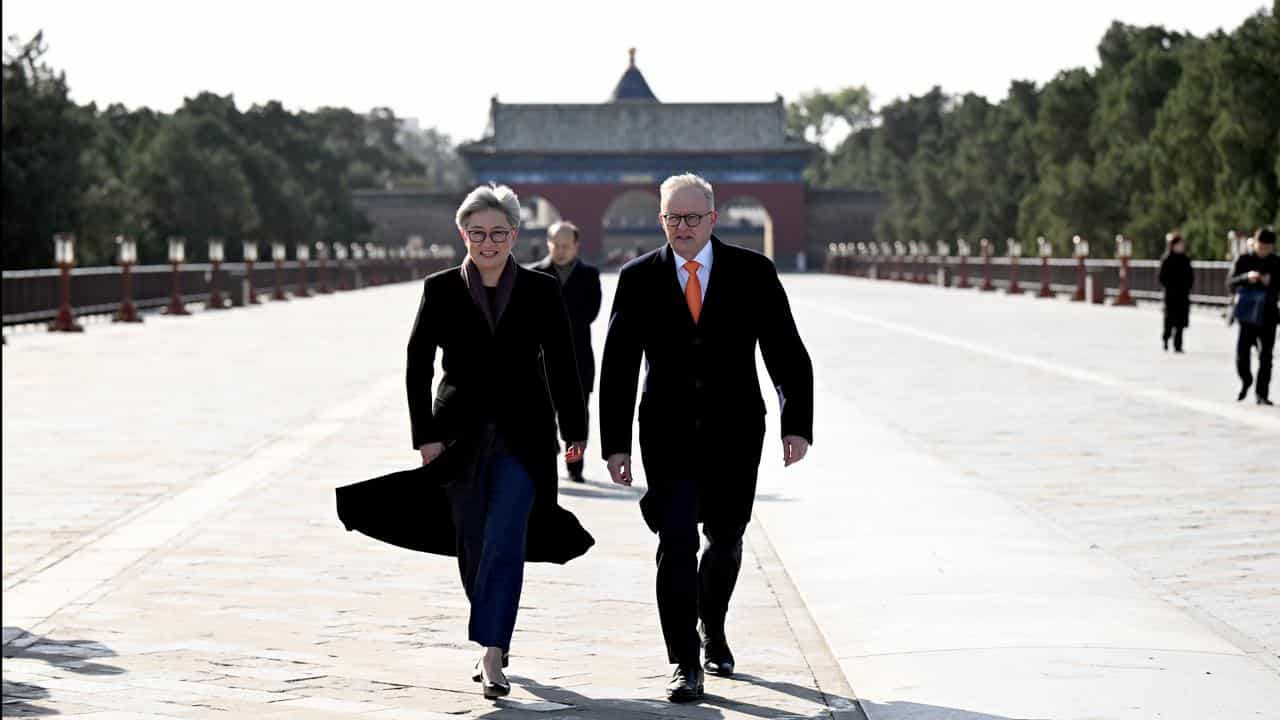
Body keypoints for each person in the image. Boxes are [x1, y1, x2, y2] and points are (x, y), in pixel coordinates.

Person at [599, 173, 814, 702]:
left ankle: (711, 627)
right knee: (674, 543)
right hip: (667, 433)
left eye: (693, 218)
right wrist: (615, 443)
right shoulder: (639, 277)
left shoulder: (752, 272)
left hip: (735, 430)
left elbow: (785, 350)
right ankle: (684, 662)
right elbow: (619, 365)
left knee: (726, 539)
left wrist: (796, 422)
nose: (683, 228)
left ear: (713, 219)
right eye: (673, 218)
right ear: (661, 220)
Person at [406, 184, 590, 698]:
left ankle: (492, 653)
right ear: (463, 234)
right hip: (457, 437)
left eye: (499, 233)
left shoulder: (540, 290)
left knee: (507, 540)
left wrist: (575, 431)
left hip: (524, 437)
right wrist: (425, 436)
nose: (488, 243)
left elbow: (561, 363)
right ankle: (492, 627)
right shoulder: (439, 289)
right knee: (471, 542)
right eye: (478, 233)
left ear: (515, 234)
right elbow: (417, 367)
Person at [529, 221, 603, 482]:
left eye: (565, 246)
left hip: (577, 360)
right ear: (547, 243)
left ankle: (575, 467)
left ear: (576, 245)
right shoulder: (533, 275)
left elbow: (590, 313)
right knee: (541, 418)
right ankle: (546, 464)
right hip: (540, 362)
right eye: (555, 245)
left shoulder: (589, 275)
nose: (560, 250)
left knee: (576, 420)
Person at [1229, 227, 1279, 405]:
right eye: (1261, 246)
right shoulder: (1244, 259)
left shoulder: (1276, 262)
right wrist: (1246, 277)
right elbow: (1230, 283)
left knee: (1266, 357)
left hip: (1268, 315)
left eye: (1267, 247)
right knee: (1242, 355)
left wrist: (1270, 281)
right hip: (1247, 315)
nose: (1263, 250)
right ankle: (1246, 380)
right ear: (1255, 243)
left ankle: (1262, 394)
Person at [1158, 232, 1193, 353]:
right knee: (1169, 320)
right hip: (1171, 295)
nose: (1181, 247)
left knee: (1180, 321)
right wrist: (1170, 286)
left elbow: (1190, 276)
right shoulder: (1167, 259)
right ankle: (1166, 338)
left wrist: (1188, 286)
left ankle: (1178, 345)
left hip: (1183, 295)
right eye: (1179, 244)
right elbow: (1161, 277)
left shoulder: (1186, 259)